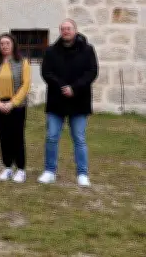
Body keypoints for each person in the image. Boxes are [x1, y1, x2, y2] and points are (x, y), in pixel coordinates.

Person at [39, 19, 98, 187]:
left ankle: (82, 174)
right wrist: (61, 86)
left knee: (79, 138)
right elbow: (46, 72)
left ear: (75, 30)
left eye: (68, 28)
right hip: (56, 100)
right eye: (63, 29)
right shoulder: (51, 51)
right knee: (51, 137)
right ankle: (50, 171)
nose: (65, 31)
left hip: (79, 101)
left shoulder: (87, 50)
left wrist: (74, 88)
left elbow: (92, 72)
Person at [0, 33, 31, 183]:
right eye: (1, 44)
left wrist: (12, 103)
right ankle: (7, 167)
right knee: (3, 137)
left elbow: (25, 85)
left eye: (7, 43)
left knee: (17, 137)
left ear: (13, 45)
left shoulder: (23, 62)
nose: (4, 46)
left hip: (17, 106)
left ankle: (20, 169)